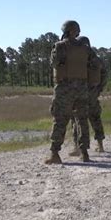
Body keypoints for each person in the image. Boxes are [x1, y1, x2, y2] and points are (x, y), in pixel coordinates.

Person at [45, 20, 96, 164]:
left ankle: (55, 153)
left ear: (65, 31)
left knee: (60, 119)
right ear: (77, 31)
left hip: (65, 88)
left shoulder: (60, 46)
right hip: (82, 88)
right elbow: (96, 63)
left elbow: (53, 62)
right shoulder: (86, 48)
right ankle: (84, 153)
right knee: (82, 120)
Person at [69, 36, 107, 156]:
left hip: (79, 94)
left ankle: (77, 148)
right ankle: (100, 145)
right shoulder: (98, 60)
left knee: (77, 121)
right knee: (95, 118)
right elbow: (104, 77)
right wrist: (98, 90)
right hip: (92, 94)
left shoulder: (77, 60)